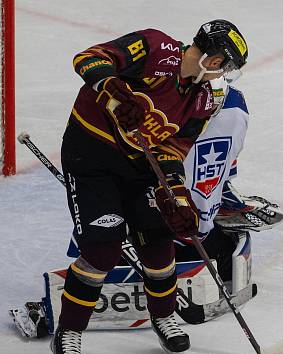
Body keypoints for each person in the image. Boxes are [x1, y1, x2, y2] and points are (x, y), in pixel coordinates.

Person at [53, 19, 248, 353]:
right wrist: (112, 90)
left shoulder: (202, 100)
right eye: (224, 67)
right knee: (102, 251)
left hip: (141, 169)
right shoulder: (157, 47)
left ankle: (163, 316)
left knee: (159, 244)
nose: (221, 74)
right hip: (91, 159)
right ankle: (68, 332)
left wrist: (176, 195)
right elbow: (89, 58)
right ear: (214, 60)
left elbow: (174, 150)